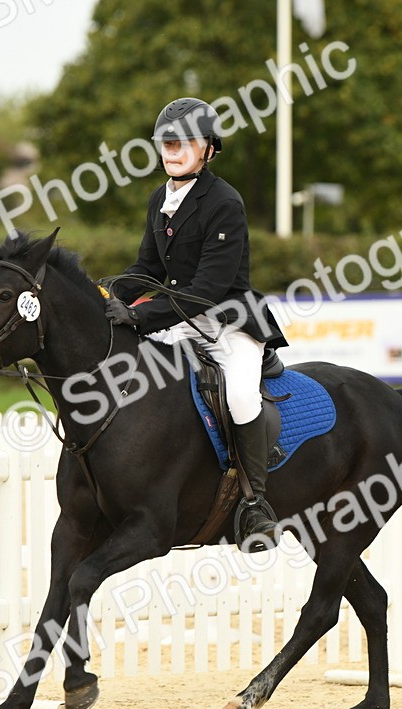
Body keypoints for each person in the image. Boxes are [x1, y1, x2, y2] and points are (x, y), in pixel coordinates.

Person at [104, 97, 289, 547]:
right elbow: (147, 268)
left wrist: (140, 314)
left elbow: (207, 288)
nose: (173, 149)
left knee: (242, 396)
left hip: (230, 322)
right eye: (167, 142)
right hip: (183, 320)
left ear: (208, 148)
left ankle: (254, 505)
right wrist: (108, 294)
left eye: (184, 142)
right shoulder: (159, 199)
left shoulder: (225, 202)